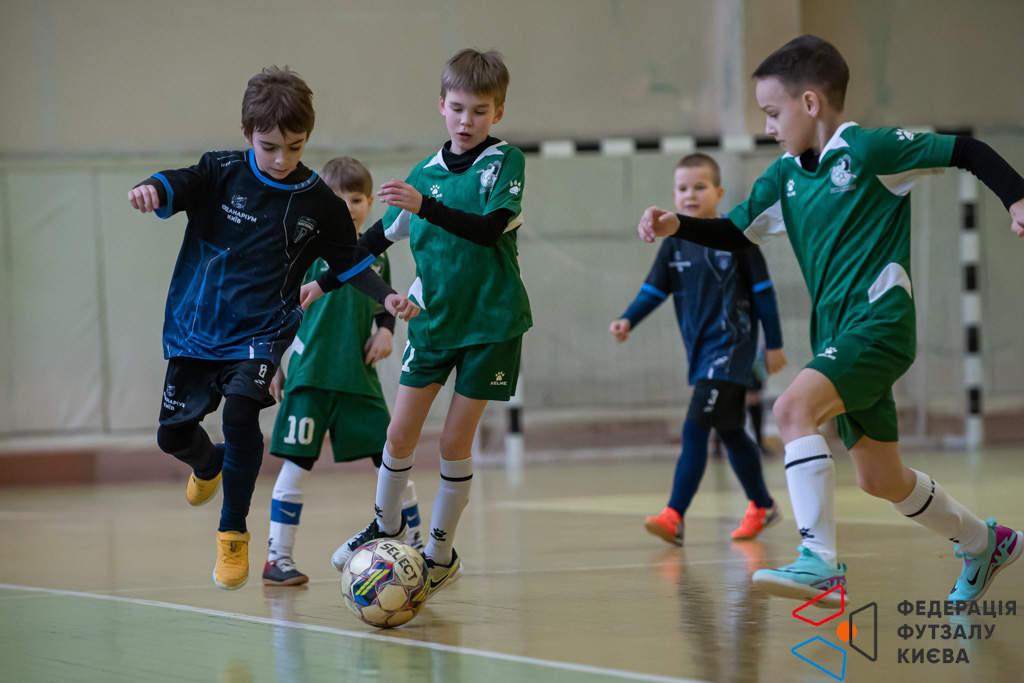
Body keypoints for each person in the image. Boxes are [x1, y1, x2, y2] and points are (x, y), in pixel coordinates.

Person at [638, 35, 1024, 606]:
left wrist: (1017, 197)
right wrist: (677, 224)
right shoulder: (782, 178)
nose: (768, 126)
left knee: (791, 409)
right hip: (837, 337)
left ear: (810, 103)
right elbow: (736, 231)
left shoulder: (869, 151)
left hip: (879, 324)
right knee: (880, 478)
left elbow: (966, 150)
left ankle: (818, 563)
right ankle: (984, 542)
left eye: (773, 112)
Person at [127, 66, 419, 591]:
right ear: (247, 134)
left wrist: (386, 298)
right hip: (197, 328)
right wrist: (152, 188)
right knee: (171, 435)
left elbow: (350, 261)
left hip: (262, 331)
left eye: (295, 147)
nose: (282, 159)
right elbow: (179, 182)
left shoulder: (319, 202)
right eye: (269, 148)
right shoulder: (220, 171)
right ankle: (208, 464)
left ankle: (233, 533)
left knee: (241, 412)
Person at [311, 48, 531, 601]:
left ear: (498, 112)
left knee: (454, 441)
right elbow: (371, 242)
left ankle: (439, 556)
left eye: (479, 111)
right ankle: (386, 525)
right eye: (457, 108)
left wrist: (424, 206)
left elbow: (487, 230)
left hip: (491, 326)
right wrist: (322, 284)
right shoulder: (423, 175)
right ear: (441, 105)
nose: (466, 120)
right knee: (399, 433)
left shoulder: (504, 163)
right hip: (434, 326)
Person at [263, 157, 425, 587]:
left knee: (392, 463)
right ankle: (277, 557)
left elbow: (383, 303)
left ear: (370, 204)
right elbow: (277, 312)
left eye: (355, 199)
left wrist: (386, 331)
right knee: (296, 465)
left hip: (357, 380)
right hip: (309, 377)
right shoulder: (302, 253)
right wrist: (273, 363)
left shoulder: (375, 257)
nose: (348, 207)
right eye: (337, 200)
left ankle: (418, 547)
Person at [611, 153, 786, 547]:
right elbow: (653, 290)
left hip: (732, 349)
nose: (690, 195)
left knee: (695, 426)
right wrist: (628, 319)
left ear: (718, 193)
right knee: (731, 430)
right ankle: (762, 505)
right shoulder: (673, 245)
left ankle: (674, 516)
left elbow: (764, 294)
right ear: (674, 196)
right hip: (703, 354)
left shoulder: (739, 238)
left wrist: (774, 344)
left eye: (700, 187)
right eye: (683, 188)